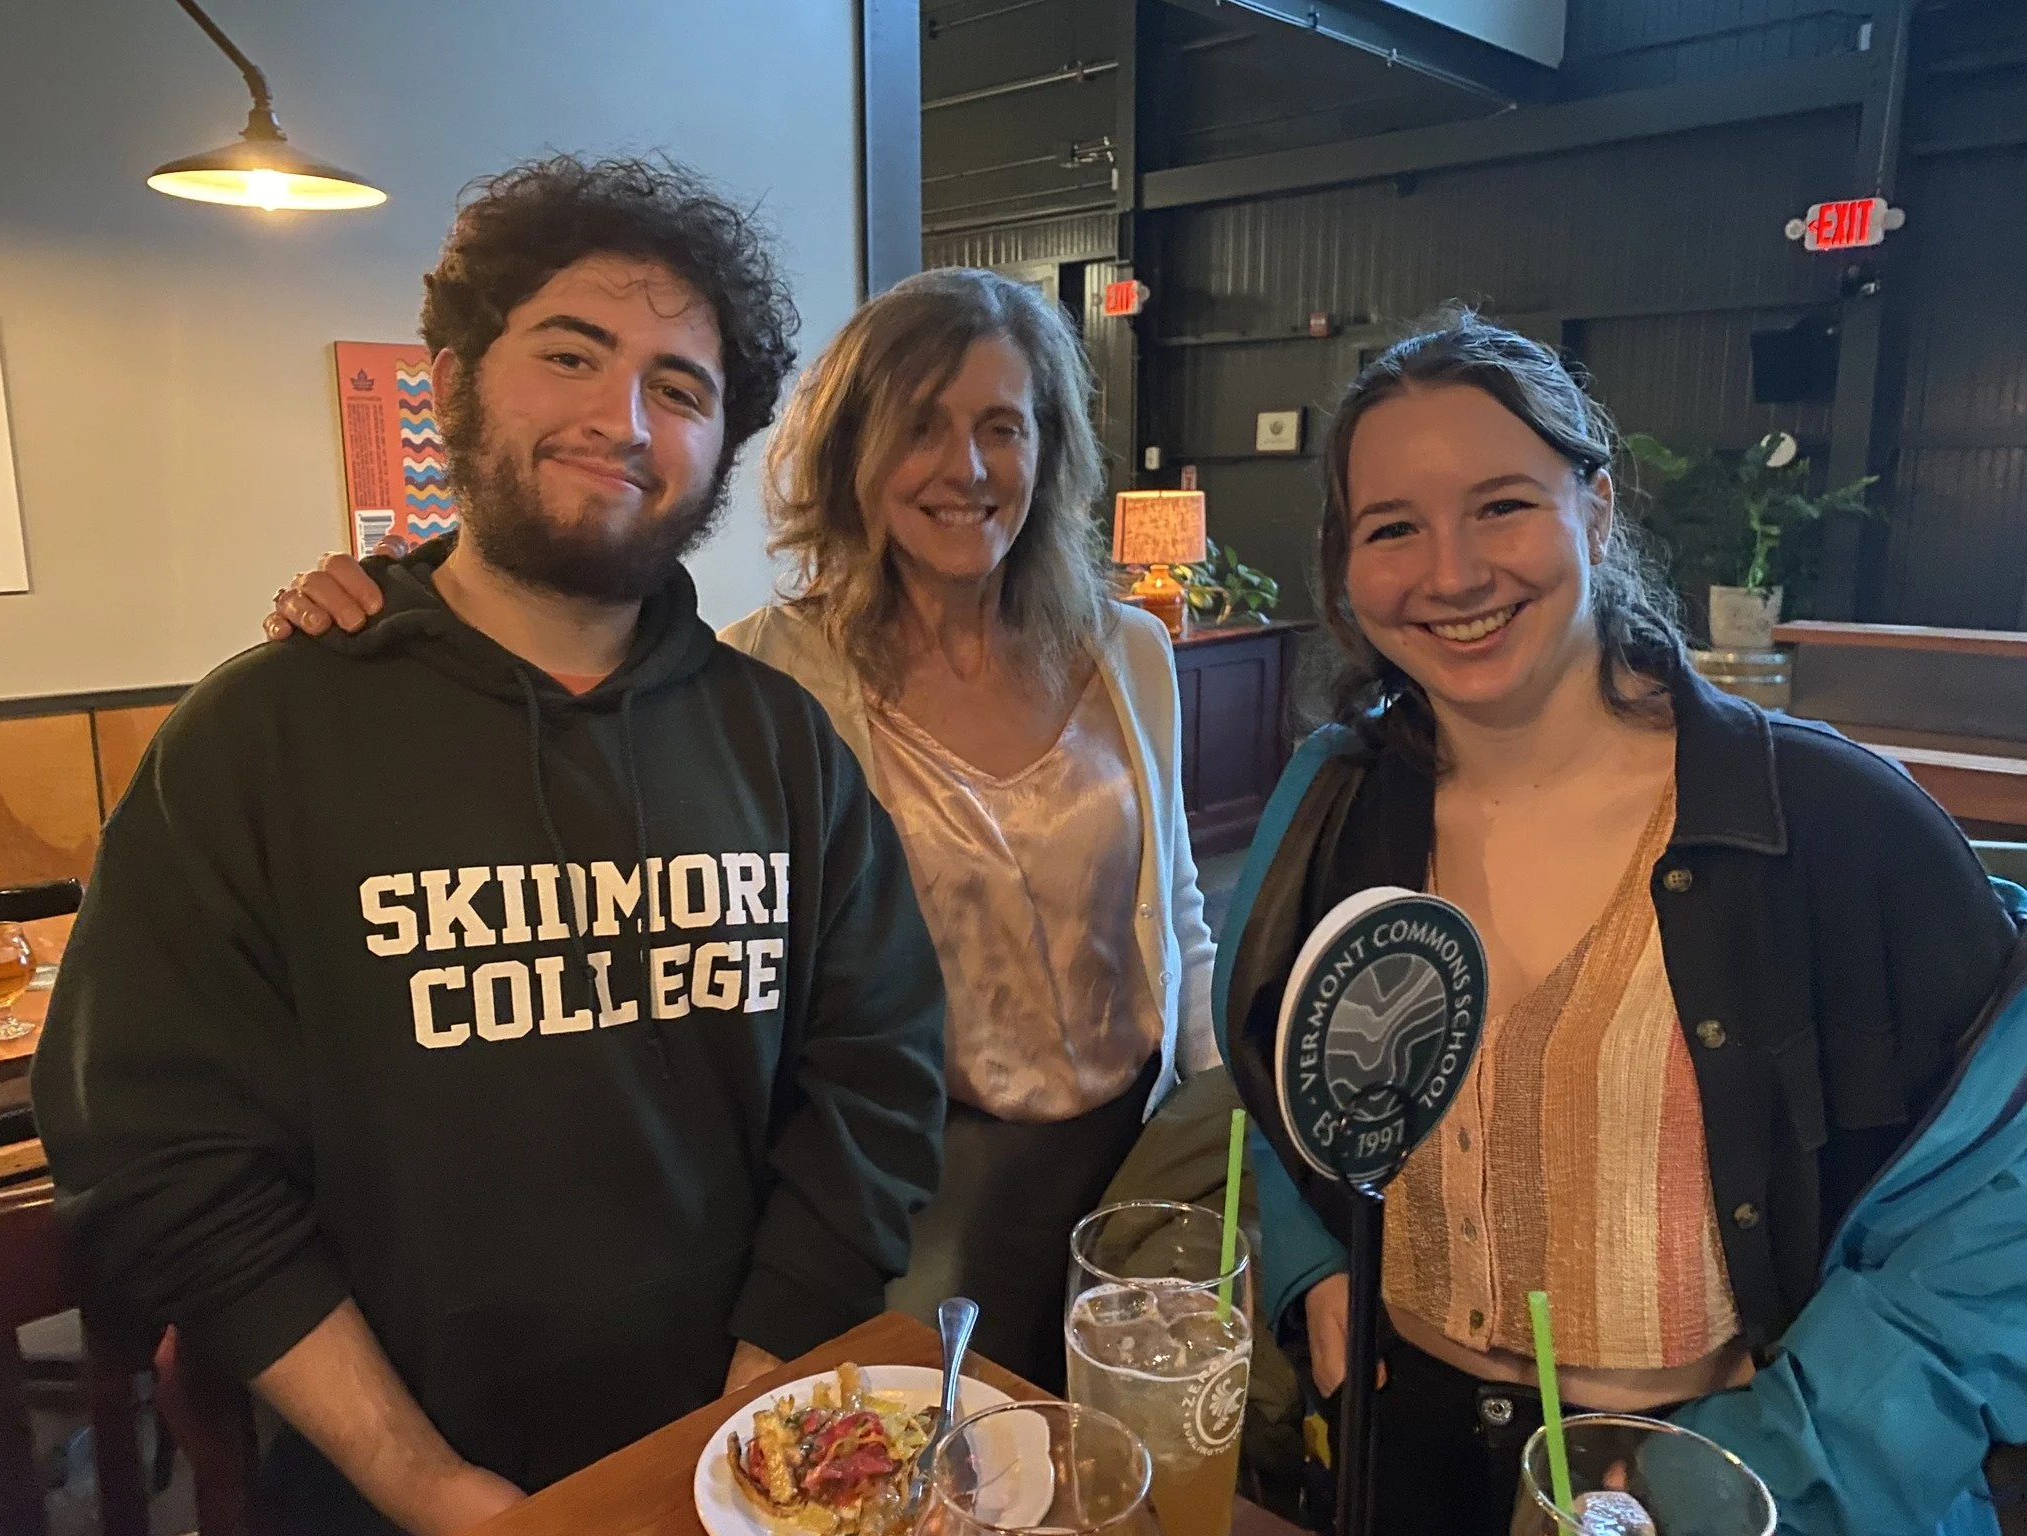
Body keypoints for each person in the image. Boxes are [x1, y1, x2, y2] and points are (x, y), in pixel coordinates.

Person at [33, 155, 947, 1536]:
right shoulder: (260, 735)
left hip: (735, 1469)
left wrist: (743, 1420)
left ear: (722, 448)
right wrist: (421, 1482)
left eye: (680, 387)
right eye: (570, 353)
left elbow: (876, 1078)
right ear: (454, 378)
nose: (620, 417)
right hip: (379, 1493)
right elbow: (157, 1152)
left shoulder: (781, 746)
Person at [266, 266, 1220, 1391]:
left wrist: (1211, 1113)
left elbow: (1183, 918)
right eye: (920, 427)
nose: (965, 468)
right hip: (907, 1185)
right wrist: (395, 608)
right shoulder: (767, 676)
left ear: (1045, 450)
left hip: (1132, 1156)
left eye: (1000, 428)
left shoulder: (1131, 655)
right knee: (932, 1476)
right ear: (853, 453)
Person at [1212, 311, 2027, 1533]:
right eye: (1393, 528)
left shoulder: (1827, 822)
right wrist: (1314, 1270)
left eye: (1500, 505)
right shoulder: (1331, 800)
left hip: (1719, 1482)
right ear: (1344, 566)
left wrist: (1757, 1476)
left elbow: (1989, 1226)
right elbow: (1277, 1074)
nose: (1449, 573)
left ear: (1592, 511)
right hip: (1401, 1459)